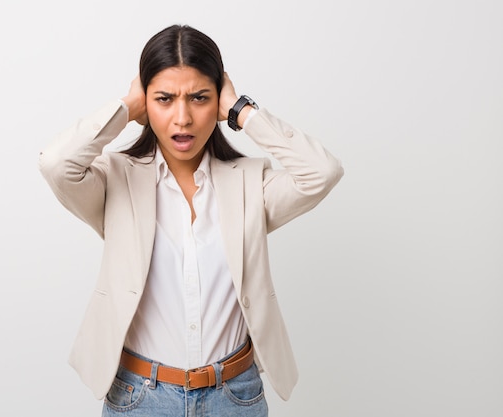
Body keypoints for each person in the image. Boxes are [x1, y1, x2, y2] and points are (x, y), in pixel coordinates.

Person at [39, 24, 343, 416]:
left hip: (234, 397)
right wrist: (127, 108)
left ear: (218, 103)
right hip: (139, 397)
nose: (182, 118)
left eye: (199, 98)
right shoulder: (115, 181)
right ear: (145, 103)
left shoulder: (250, 184)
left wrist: (243, 111)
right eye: (164, 99)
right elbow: (55, 164)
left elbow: (322, 171)